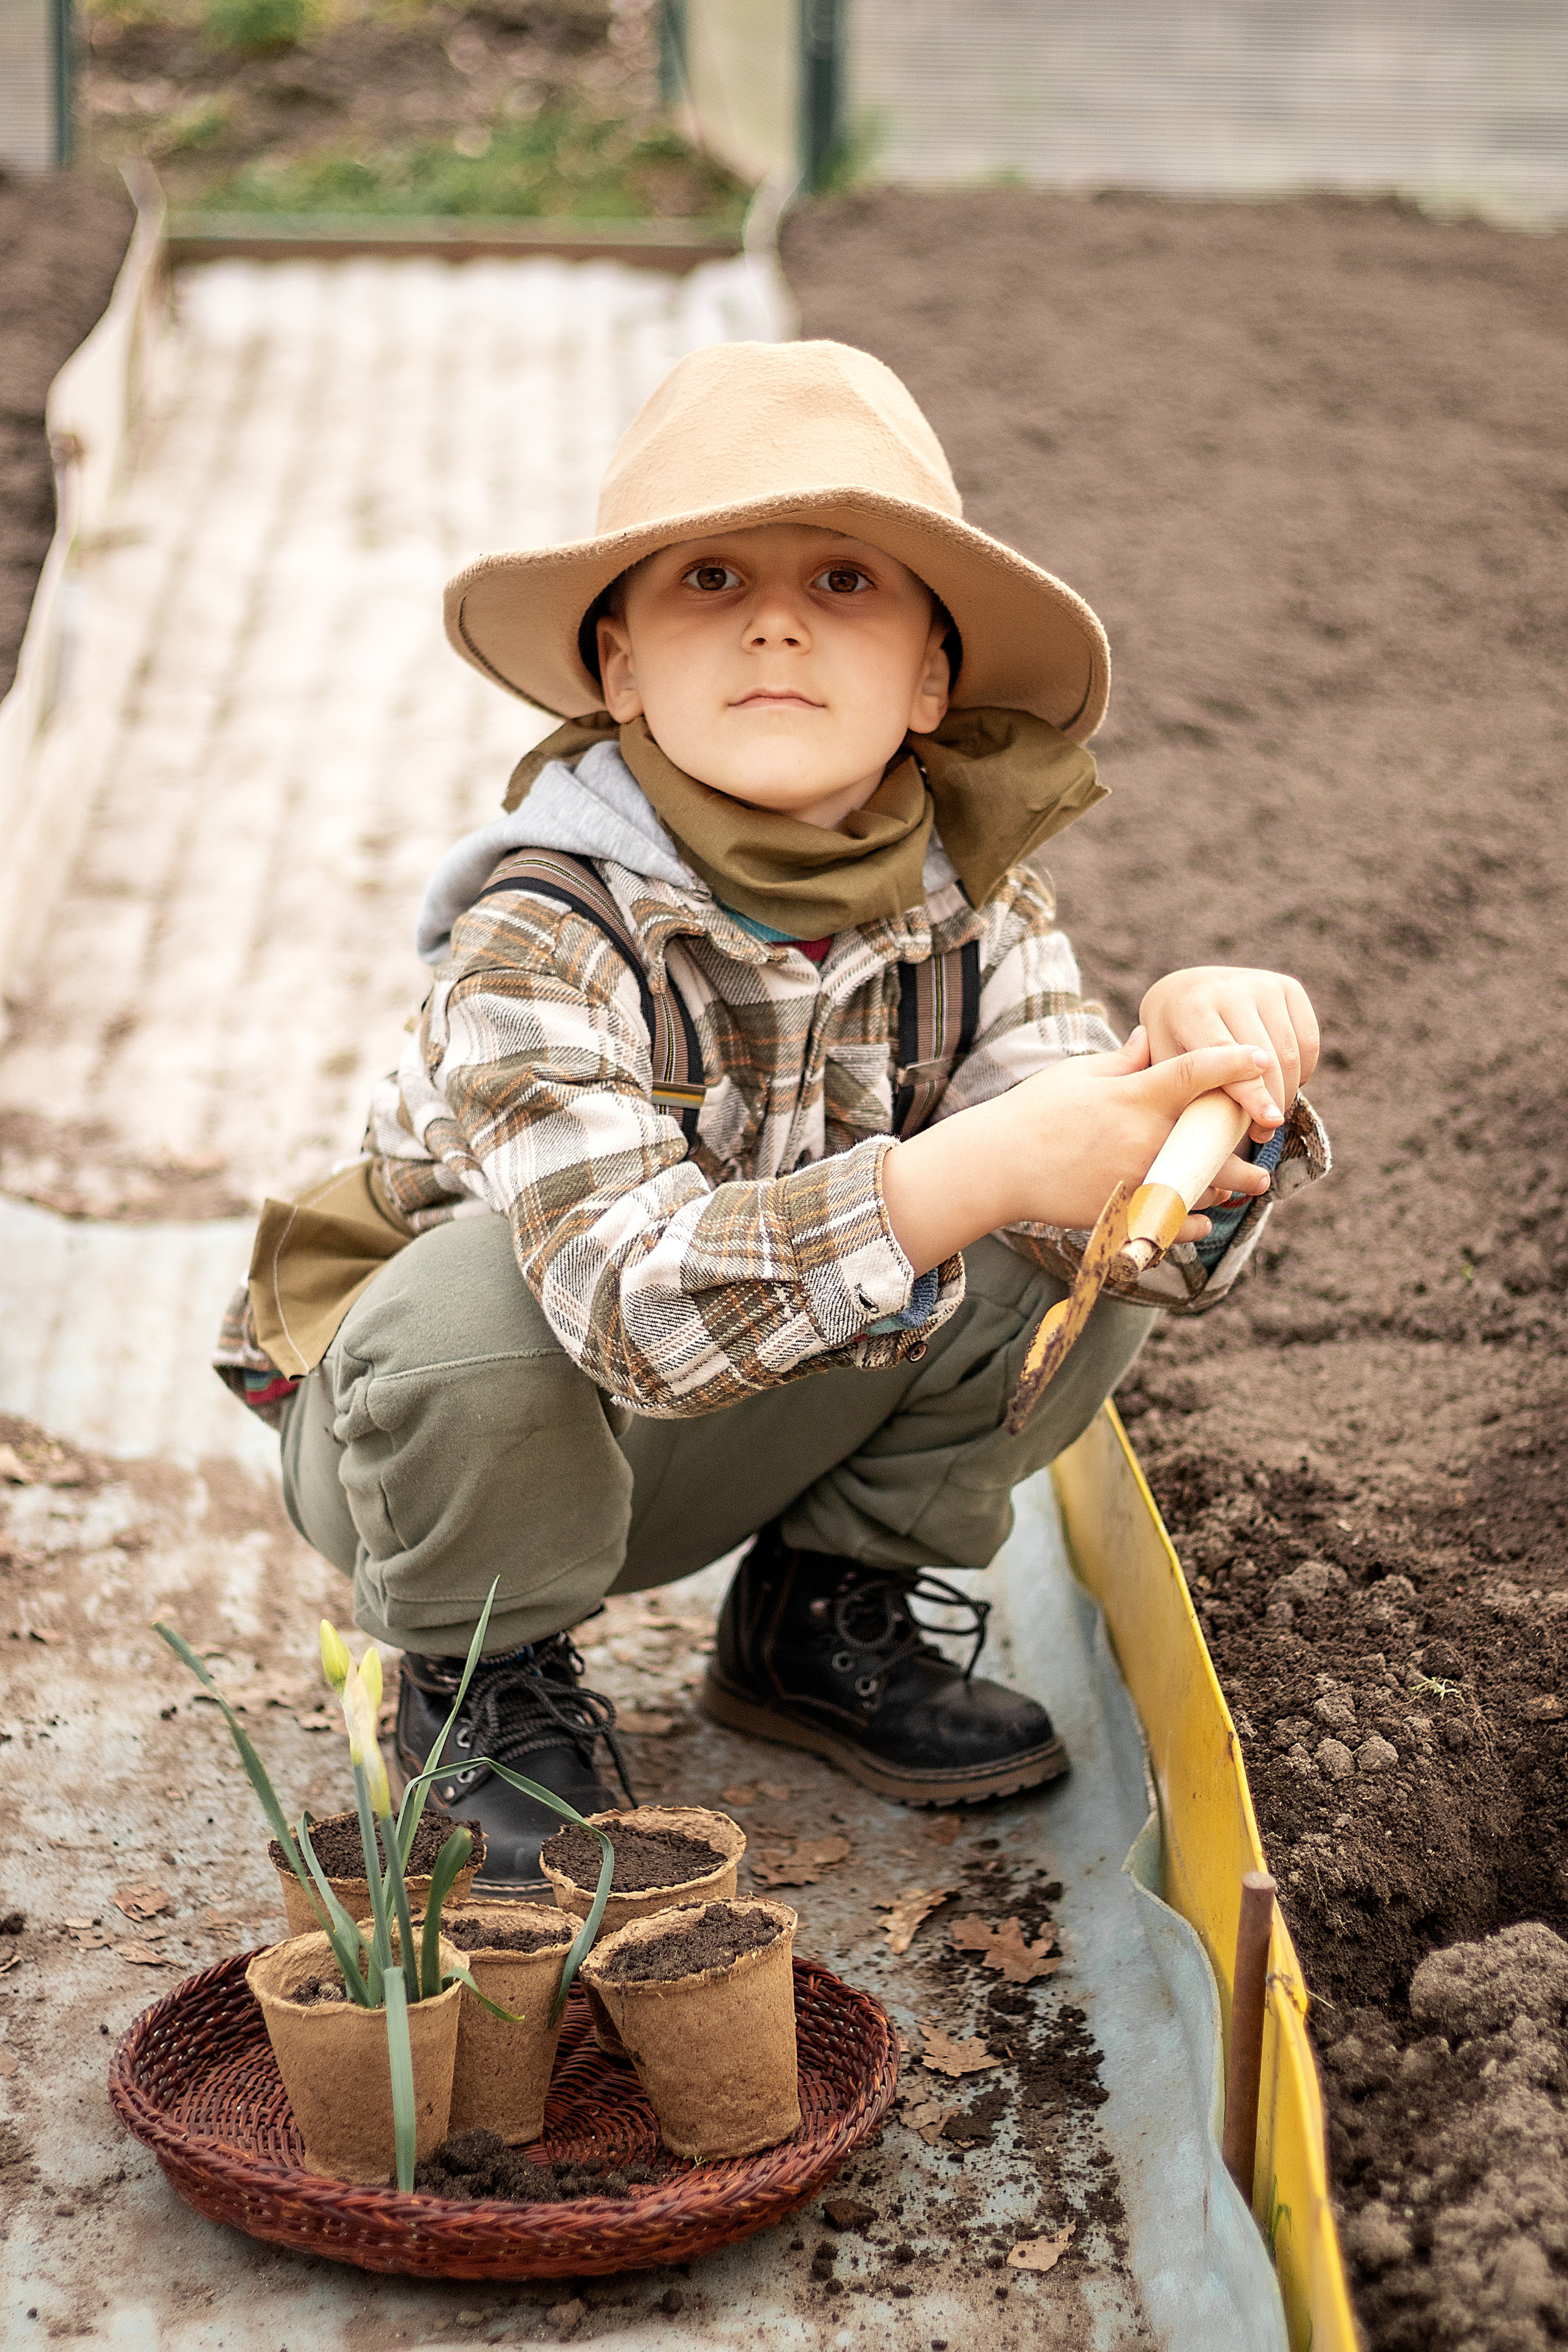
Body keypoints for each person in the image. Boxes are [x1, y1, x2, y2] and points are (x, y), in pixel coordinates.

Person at [217, 339, 1326, 1896]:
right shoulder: (541, 931)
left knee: (1054, 1226)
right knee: (477, 1304)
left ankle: (816, 1621)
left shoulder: (981, 914)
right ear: (617, 666)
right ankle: (481, 1689)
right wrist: (977, 1162)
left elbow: (1146, 1257)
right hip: (480, 1443)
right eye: (713, 578)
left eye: (849, 585)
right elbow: (622, 1311)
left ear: (931, 676)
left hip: (740, 1419)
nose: (781, 621)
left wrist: (1202, 1084)